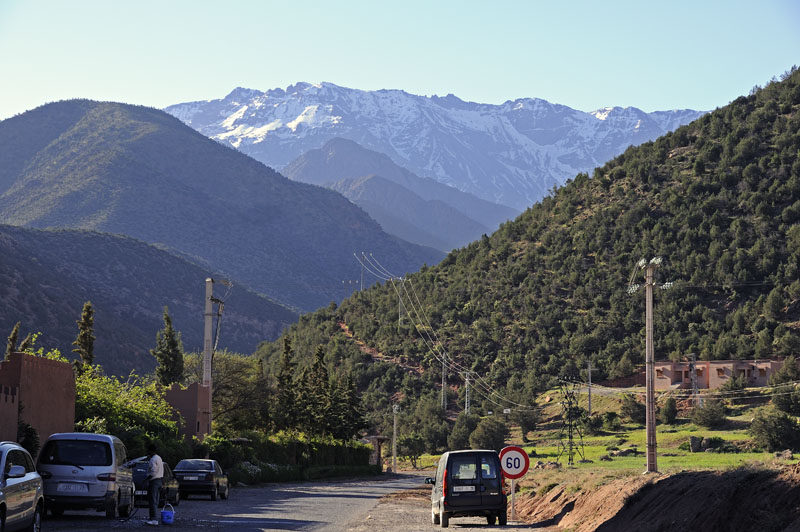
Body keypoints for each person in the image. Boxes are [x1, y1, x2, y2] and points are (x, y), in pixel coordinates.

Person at [145, 443, 164, 526]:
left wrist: (146, 479)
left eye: (148, 450)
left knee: (152, 500)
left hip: (154, 481)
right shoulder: (159, 458)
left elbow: (153, 472)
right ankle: (153, 518)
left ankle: (153, 519)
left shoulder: (153, 459)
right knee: (155, 500)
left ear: (150, 451)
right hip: (160, 480)